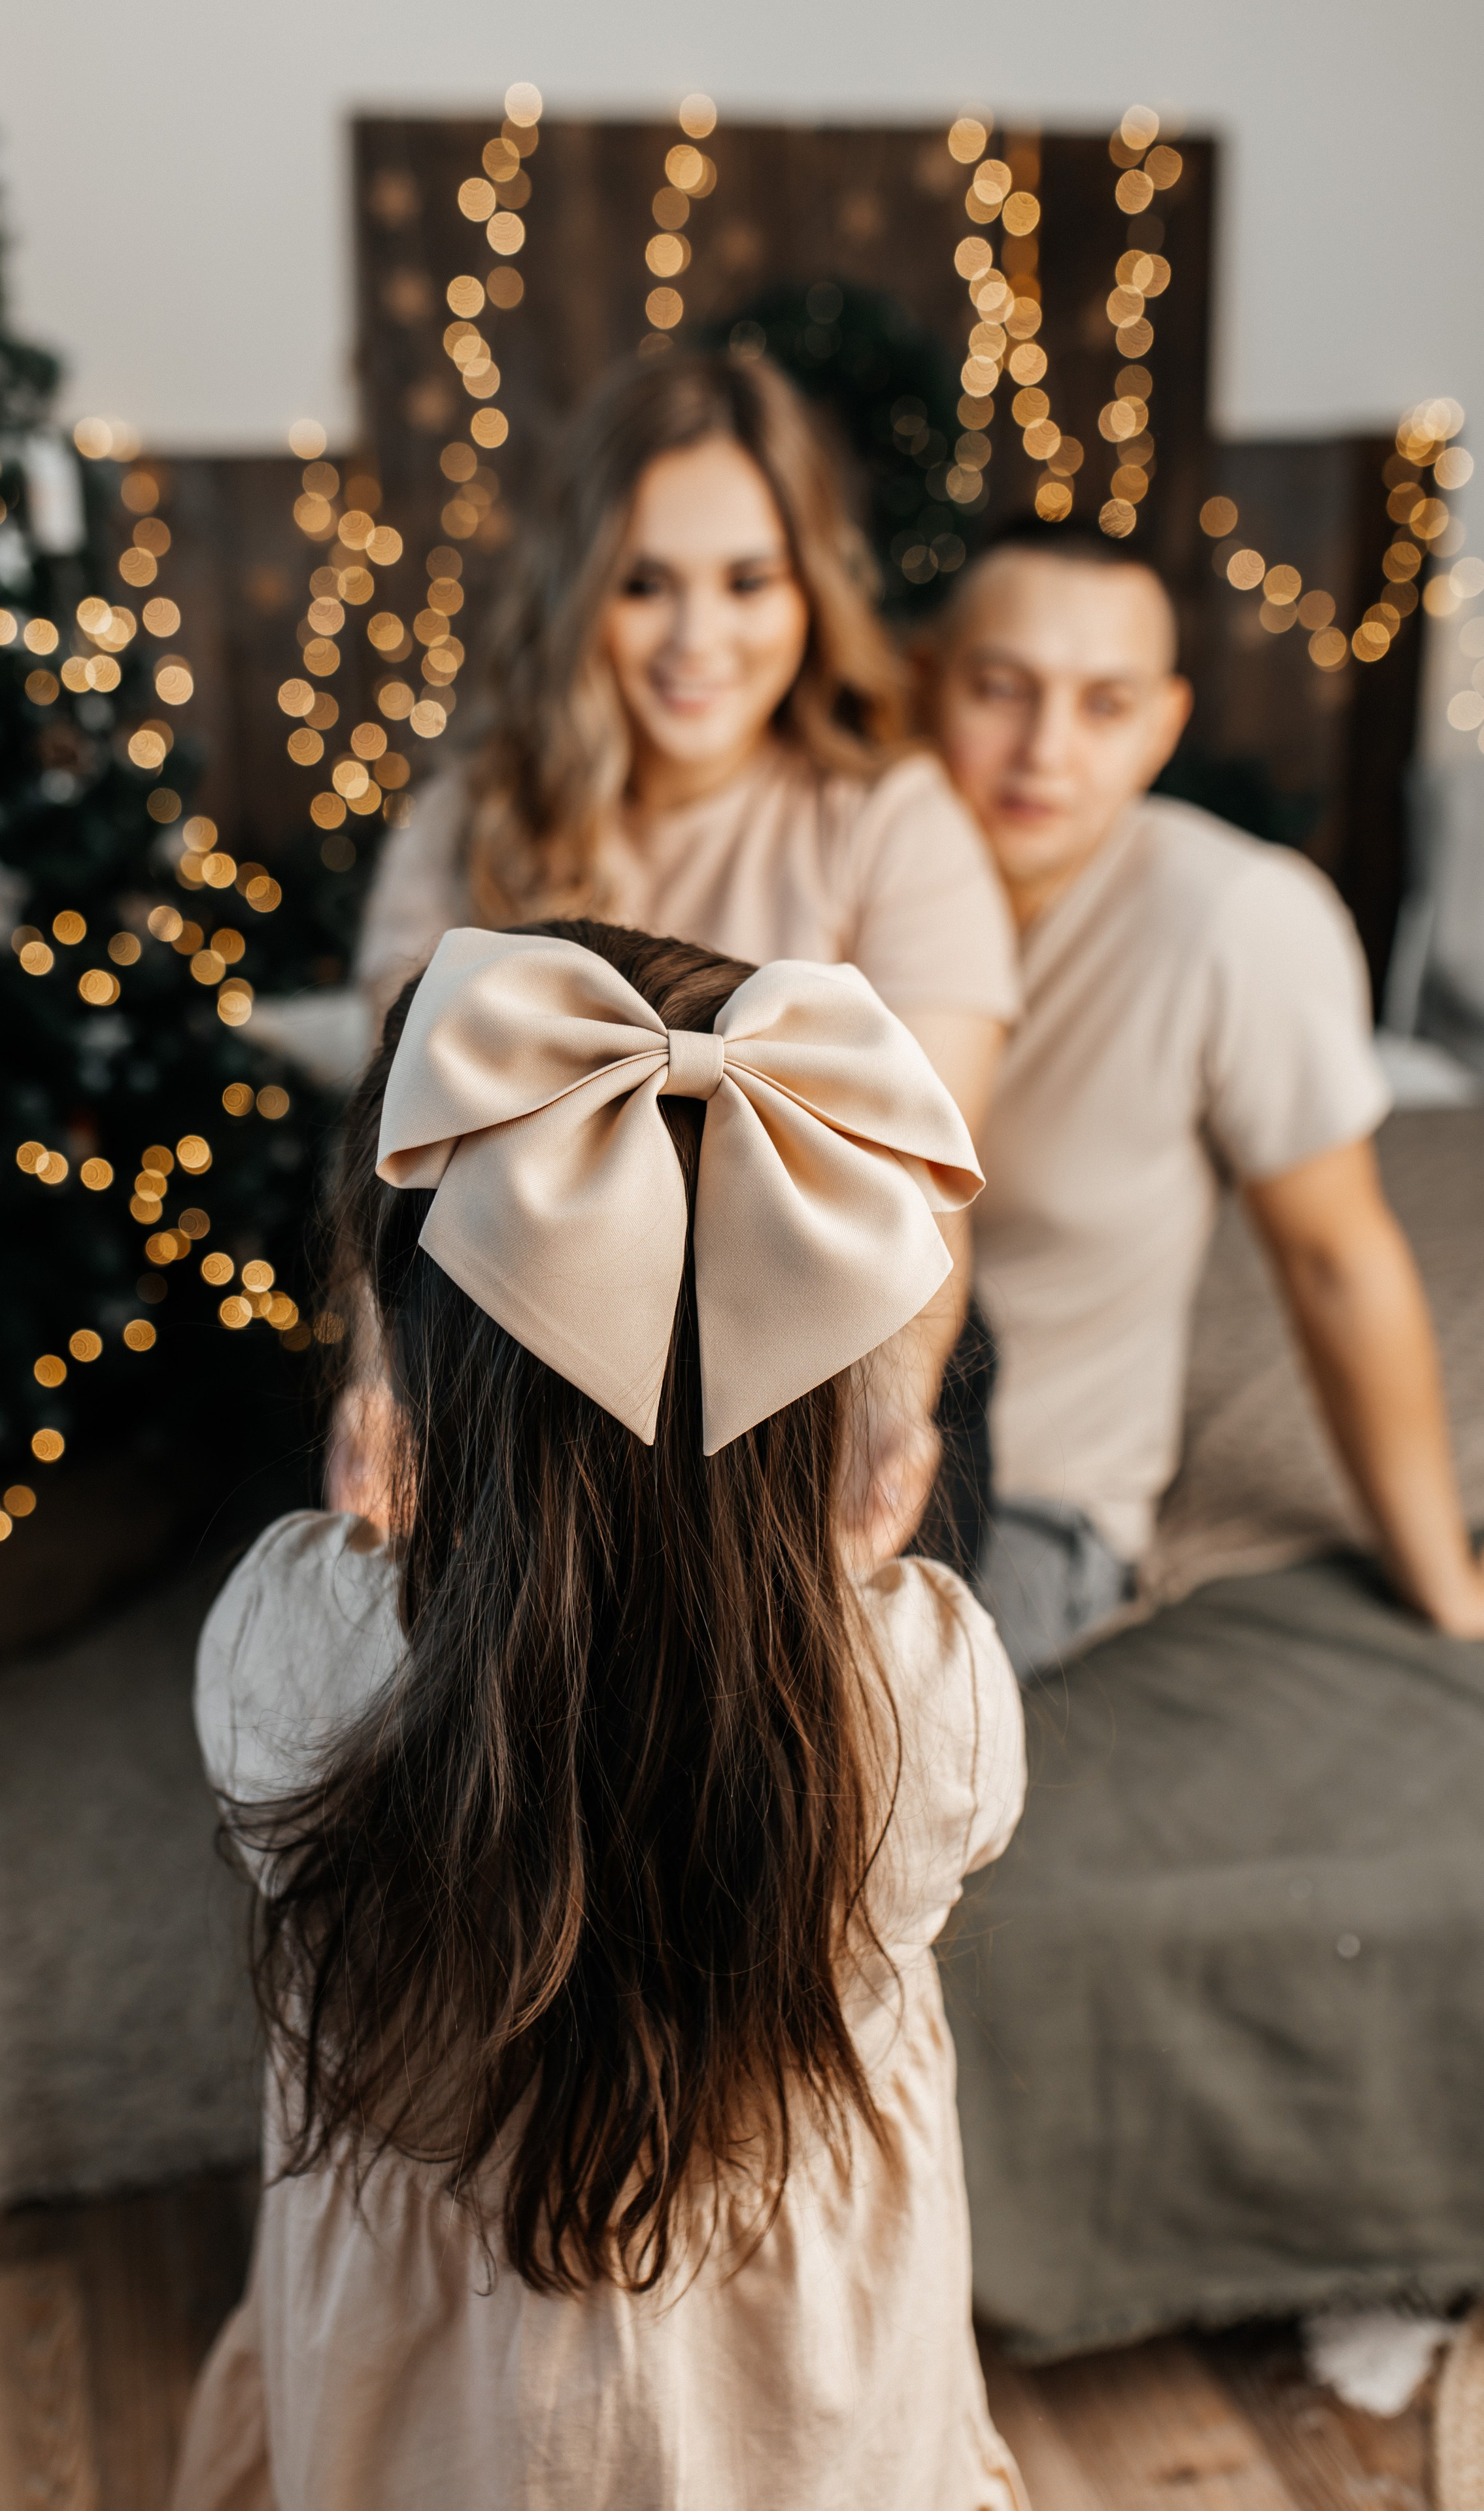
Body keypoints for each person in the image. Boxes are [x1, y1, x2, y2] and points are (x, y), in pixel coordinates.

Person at [172, 922, 1028, 2511]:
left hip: (424, 2422)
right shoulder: (927, 1693)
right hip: (803, 2413)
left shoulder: (283, 1651)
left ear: (401, 1360)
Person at [357, 350, 1019, 1437]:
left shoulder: (898, 821)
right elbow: (397, 1180)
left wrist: (890, 1426)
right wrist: (382, 1389)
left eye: (749, 582)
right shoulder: (465, 824)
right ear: (580, 591)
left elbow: (927, 1202)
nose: (697, 641)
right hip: (535, 1370)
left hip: (840, 1359)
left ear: (811, 585)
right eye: (643, 583)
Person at [930, 517, 1484, 1675]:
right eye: (1001, 690)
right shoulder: (838, 869)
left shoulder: (1233, 917)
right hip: (765, 1468)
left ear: (1165, 724)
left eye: (1104, 704)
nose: (1046, 751)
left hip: (1032, 1495)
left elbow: (1336, 1257)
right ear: (927, 682)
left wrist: (1449, 1589)